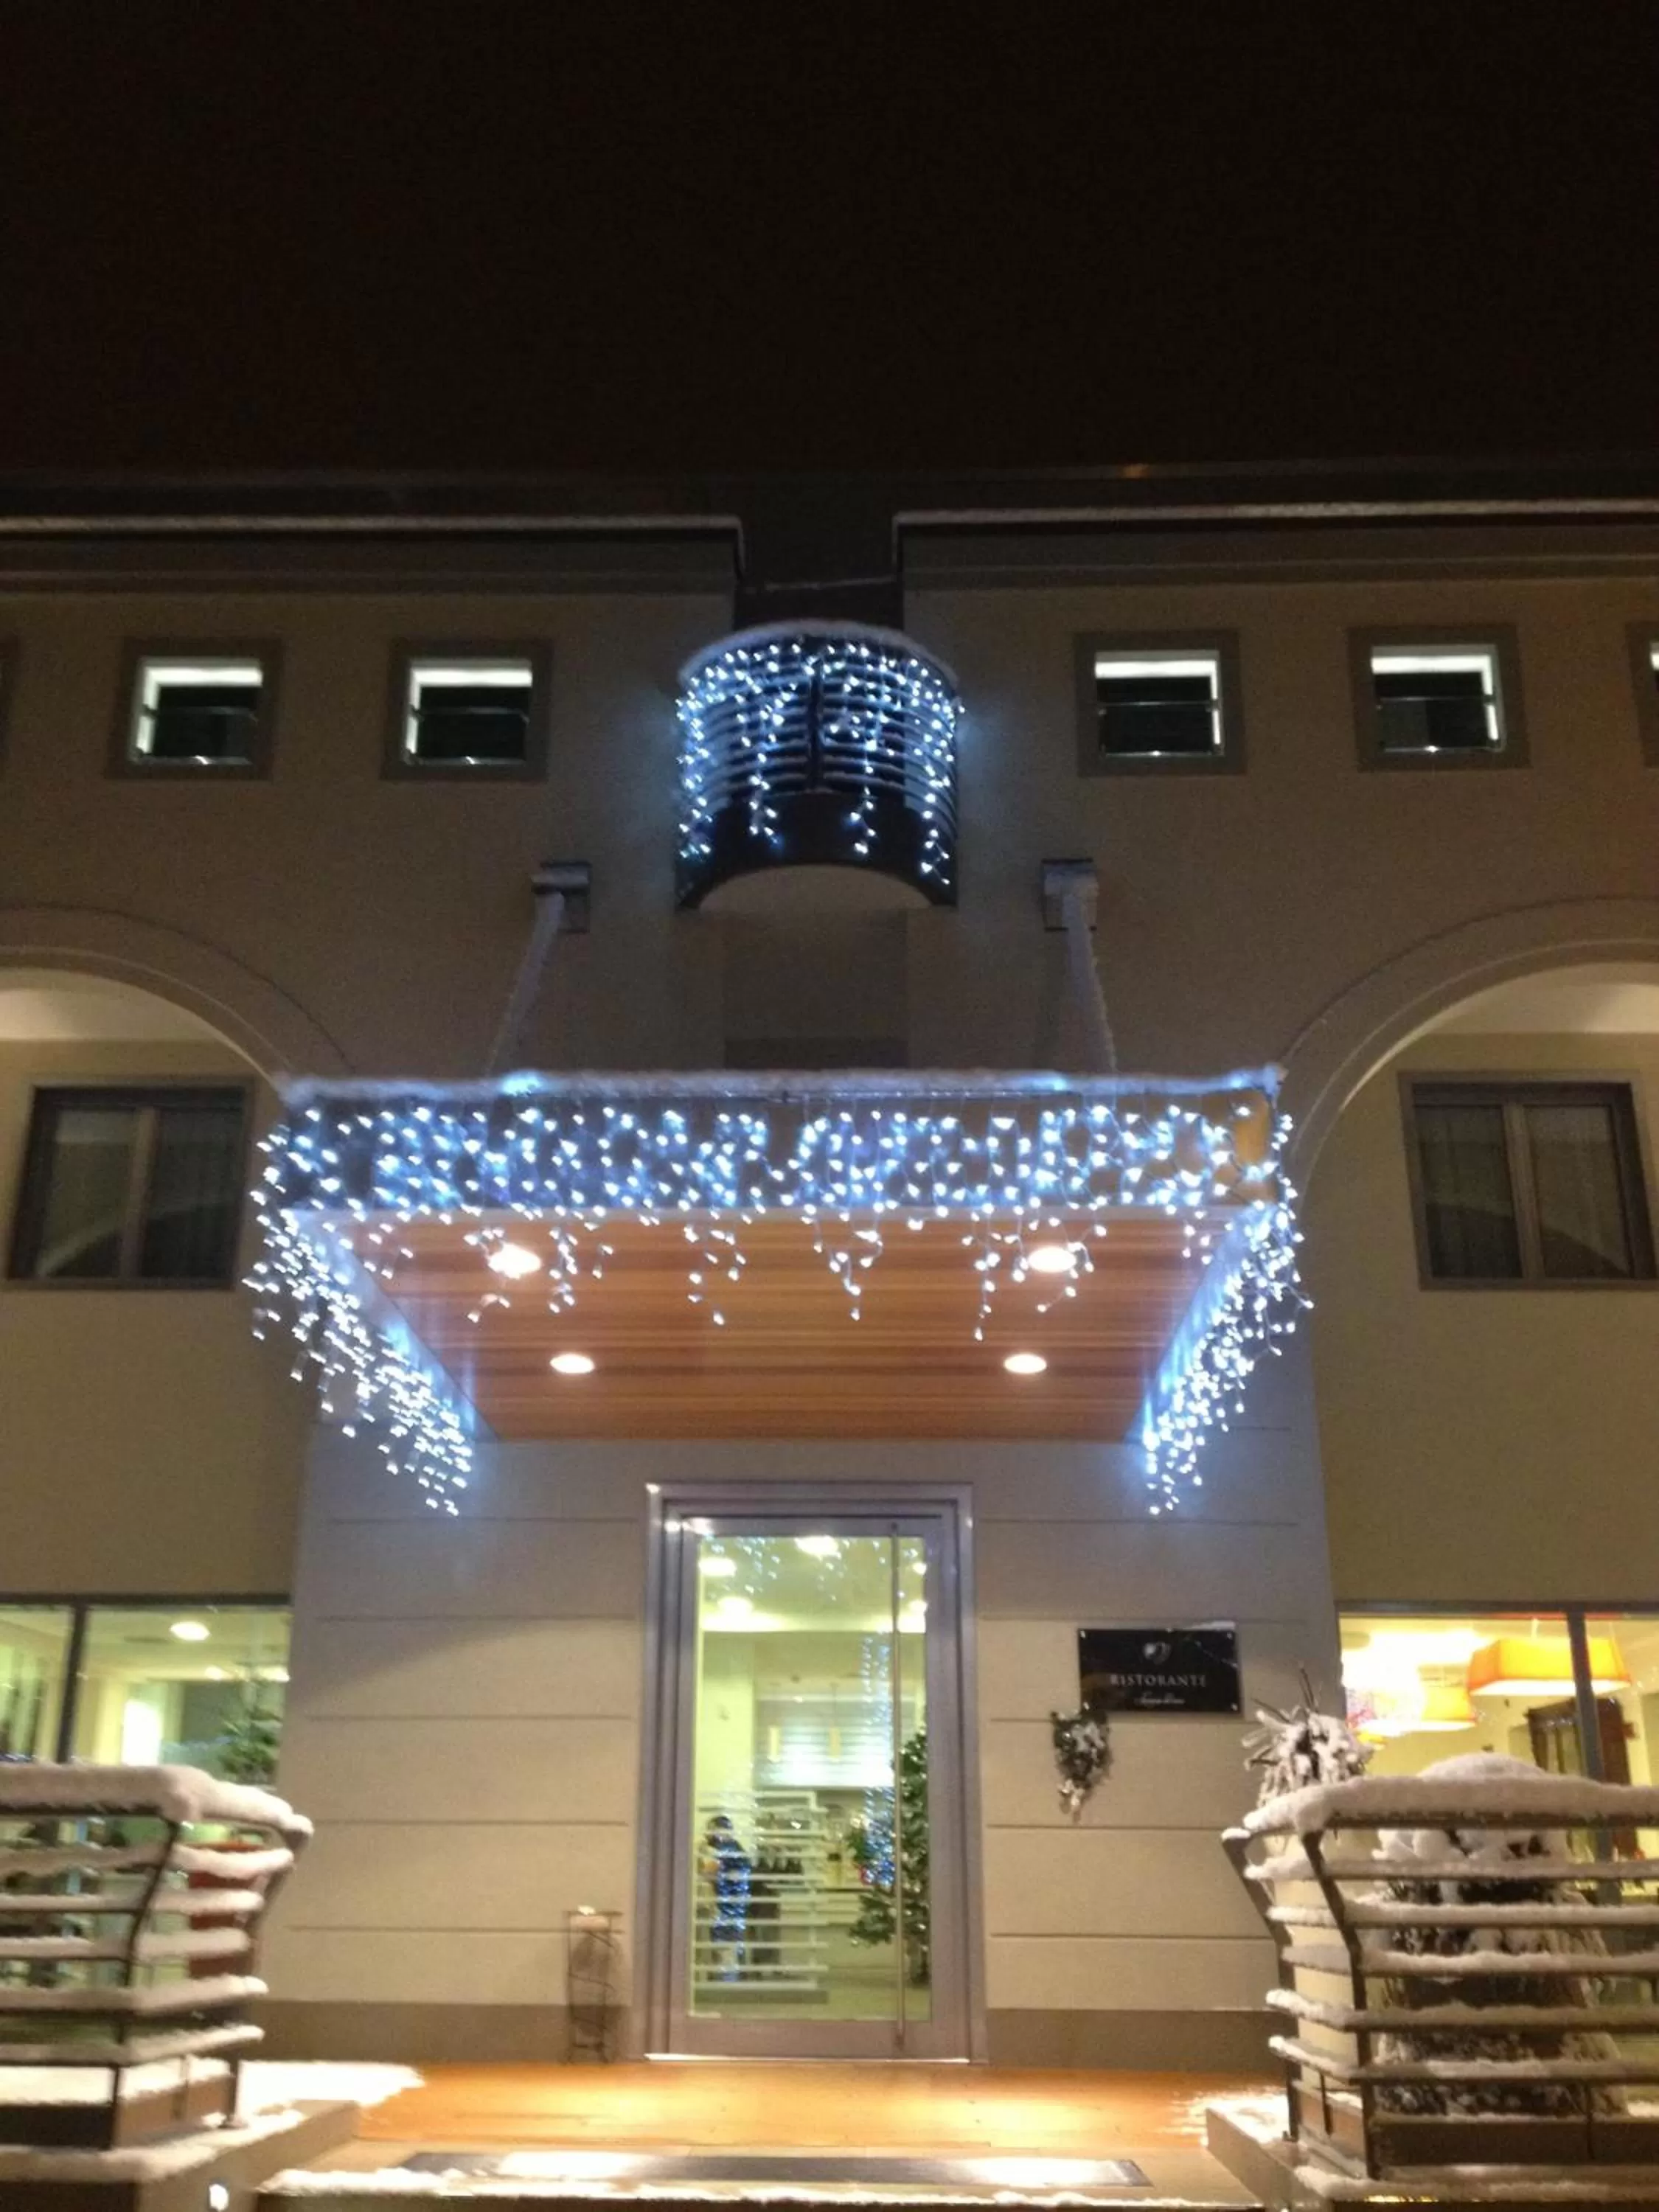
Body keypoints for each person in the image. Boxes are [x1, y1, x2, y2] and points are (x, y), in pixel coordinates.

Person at [701, 1814, 751, 1981]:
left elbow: (709, 1872)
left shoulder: (725, 1849)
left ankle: (728, 1977)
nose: (707, 1834)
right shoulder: (736, 1848)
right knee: (734, 1939)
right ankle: (733, 1974)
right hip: (735, 1905)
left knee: (725, 1941)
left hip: (726, 1905)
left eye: (711, 1829)